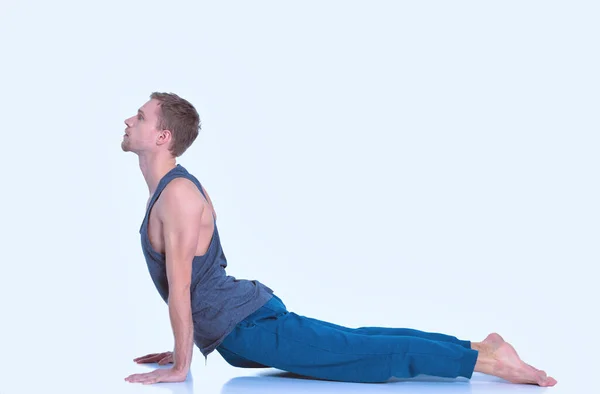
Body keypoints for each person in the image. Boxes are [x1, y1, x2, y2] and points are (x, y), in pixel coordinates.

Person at [122, 92, 557, 387]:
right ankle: (479, 347)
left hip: (246, 326)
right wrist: (183, 344)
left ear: (163, 137)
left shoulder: (176, 194)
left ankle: (489, 362)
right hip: (240, 327)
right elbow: (194, 285)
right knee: (358, 342)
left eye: (140, 116)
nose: (128, 119)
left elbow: (182, 286)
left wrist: (182, 365)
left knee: (364, 355)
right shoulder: (169, 191)